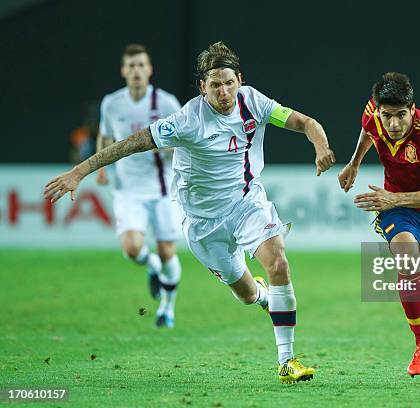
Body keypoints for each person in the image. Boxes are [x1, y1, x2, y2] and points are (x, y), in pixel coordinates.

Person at [45, 41, 335, 384]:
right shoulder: (187, 119)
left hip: (247, 204)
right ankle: (261, 296)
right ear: (203, 87)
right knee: (245, 294)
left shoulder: (255, 102)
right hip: (203, 223)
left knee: (278, 262)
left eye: (229, 82)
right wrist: (80, 171)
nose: (224, 92)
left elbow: (305, 121)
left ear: (239, 80)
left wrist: (321, 147)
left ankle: (286, 361)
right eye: (215, 85)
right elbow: (131, 143)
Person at [338, 72, 420, 385]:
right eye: (387, 116)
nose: (393, 124)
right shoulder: (373, 114)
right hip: (398, 210)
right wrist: (354, 163)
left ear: (412, 109)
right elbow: (368, 130)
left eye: (401, 116)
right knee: (406, 259)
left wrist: (396, 197)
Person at [96, 44, 183, 328]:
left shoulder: (167, 103)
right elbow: (105, 135)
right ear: (123, 71)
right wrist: (102, 168)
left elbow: (185, 141)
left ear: (149, 70)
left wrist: (164, 149)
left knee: (168, 251)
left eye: (141, 65)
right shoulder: (111, 103)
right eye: (131, 65)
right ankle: (152, 266)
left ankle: (167, 308)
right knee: (132, 248)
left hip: (162, 188)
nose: (136, 70)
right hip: (128, 189)